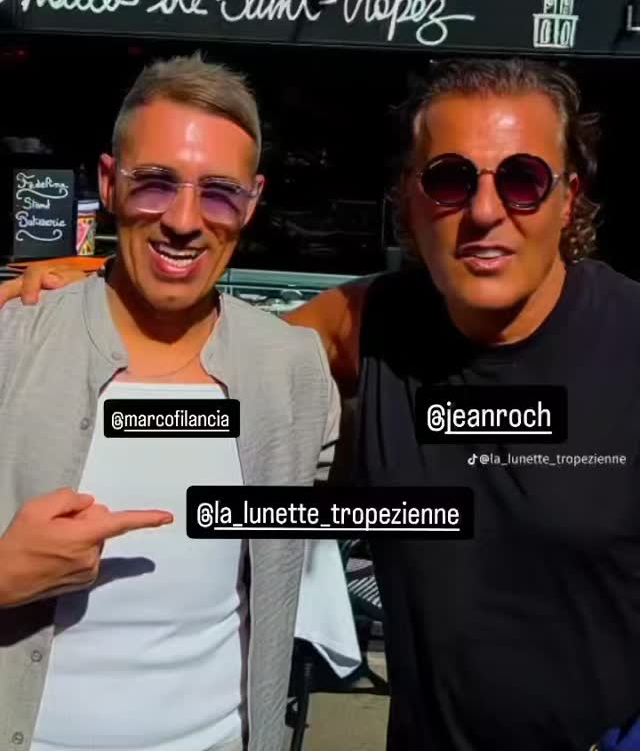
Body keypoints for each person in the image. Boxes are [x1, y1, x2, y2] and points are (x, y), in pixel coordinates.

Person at [9, 56, 640, 751]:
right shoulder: (372, 324)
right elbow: (201, 348)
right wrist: (93, 287)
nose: (485, 211)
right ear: (410, 201)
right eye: (450, 179)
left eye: (522, 180)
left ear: (568, 199)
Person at [0, 54, 339, 751]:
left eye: (219, 193)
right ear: (109, 184)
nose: (184, 221)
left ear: (251, 203)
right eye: (155, 183)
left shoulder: (291, 373)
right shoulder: (14, 343)